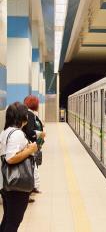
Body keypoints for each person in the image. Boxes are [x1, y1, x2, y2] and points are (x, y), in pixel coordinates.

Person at [0, 102, 38, 232]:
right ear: (21, 116)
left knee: (8, 219)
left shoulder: (6, 132)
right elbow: (10, 158)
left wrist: (25, 148)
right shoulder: (17, 134)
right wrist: (30, 149)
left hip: (8, 183)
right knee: (13, 222)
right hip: (17, 185)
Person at [22, 95, 46, 194]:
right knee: (32, 166)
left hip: (30, 144)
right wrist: (39, 133)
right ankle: (32, 188)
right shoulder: (30, 115)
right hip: (30, 144)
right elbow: (29, 131)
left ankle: (33, 187)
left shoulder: (29, 113)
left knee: (33, 165)